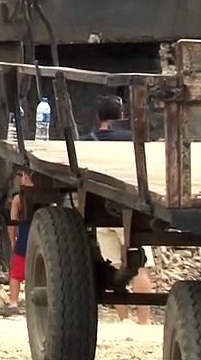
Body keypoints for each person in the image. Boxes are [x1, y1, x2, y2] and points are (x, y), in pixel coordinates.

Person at [88, 94, 155, 324]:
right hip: (132, 209)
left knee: (115, 267)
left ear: (99, 117)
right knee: (141, 266)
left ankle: (123, 320)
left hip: (102, 212)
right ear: (122, 116)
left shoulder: (89, 141)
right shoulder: (133, 139)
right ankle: (144, 322)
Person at [0, 169, 34, 316]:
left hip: (24, 239)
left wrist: (13, 240)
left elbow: (12, 222)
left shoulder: (18, 199)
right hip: (39, 237)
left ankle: (13, 302)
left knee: (16, 274)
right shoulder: (52, 198)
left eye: (24, 176)